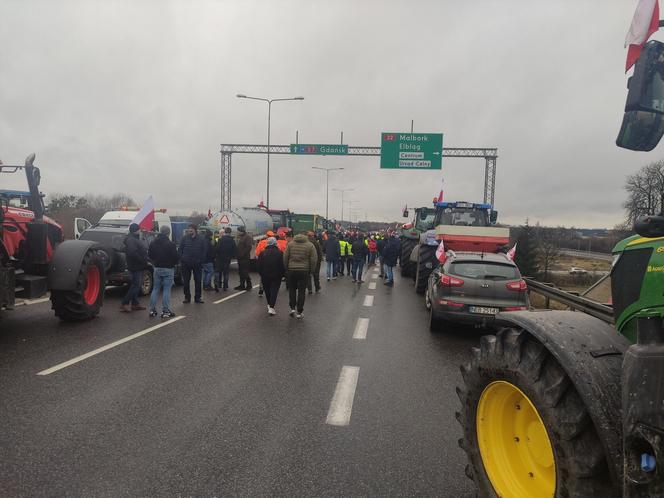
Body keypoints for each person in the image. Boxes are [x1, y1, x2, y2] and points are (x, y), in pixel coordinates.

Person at [283, 231, 318, 319]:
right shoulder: (310, 245)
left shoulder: (290, 244)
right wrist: (311, 270)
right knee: (302, 291)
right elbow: (314, 259)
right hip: (304, 270)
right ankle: (299, 311)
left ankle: (292, 308)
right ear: (306, 236)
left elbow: (285, 257)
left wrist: (287, 268)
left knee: (292, 289)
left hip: (292, 270)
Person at [148, 225, 179, 317]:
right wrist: (173, 263)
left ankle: (152, 310)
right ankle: (166, 311)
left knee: (155, 289)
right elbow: (175, 257)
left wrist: (155, 261)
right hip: (168, 268)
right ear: (168, 233)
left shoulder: (153, 243)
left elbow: (150, 255)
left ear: (160, 232)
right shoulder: (171, 244)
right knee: (166, 290)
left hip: (157, 267)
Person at [120, 223, 149, 312]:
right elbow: (132, 252)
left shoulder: (133, 239)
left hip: (137, 265)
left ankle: (135, 304)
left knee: (136, 284)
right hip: (135, 265)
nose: (140, 231)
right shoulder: (131, 240)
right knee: (136, 285)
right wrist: (142, 260)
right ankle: (124, 303)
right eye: (139, 229)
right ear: (136, 230)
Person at [178, 224, 207, 303]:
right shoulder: (184, 238)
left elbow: (204, 250)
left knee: (198, 281)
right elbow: (180, 249)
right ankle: (187, 297)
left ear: (195, 230)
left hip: (197, 264)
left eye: (191, 229)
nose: (189, 230)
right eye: (189, 228)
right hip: (186, 264)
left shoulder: (201, 239)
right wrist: (181, 259)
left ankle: (197, 298)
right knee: (186, 281)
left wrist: (201, 260)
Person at [257, 237, 285, 315]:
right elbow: (282, 265)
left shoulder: (262, 253)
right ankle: (271, 306)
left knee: (267, 290)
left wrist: (261, 274)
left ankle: (269, 304)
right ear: (275, 243)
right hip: (276, 275)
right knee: (274, 291)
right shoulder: (280, 253)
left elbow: (259, 265)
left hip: (265, 275)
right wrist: (282, 274)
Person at [215, 227, 236, 291]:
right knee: (226, 273)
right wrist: (231, 256)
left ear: (225, 232)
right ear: (230, 232)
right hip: (227, 259)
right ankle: (225, 286)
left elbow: (217, 249)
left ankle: (217, 284)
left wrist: (217, 256)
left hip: (220, 258)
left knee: (218, 272)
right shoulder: (232, 240)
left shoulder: (220, 239)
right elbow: (234, 250)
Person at [255, 230, 275, 296]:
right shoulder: (275, 243)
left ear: (266, 236)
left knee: (263, 276)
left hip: (263, 261)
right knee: (273, 276)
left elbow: (257, 253)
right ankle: (271, 289)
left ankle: (261, 289)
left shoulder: (261, 242)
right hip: (272, 262)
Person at [235, 225, 253, 291]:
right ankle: (242, 285)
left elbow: (249, 247)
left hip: (245, 258)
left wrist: (242, 254)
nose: (237, 232)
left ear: (241, 231)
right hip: (239, 257)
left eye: (238, 231)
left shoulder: (247, 237)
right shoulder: (239, 237)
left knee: (245, 272)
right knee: (240, 272)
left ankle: (249, 285)